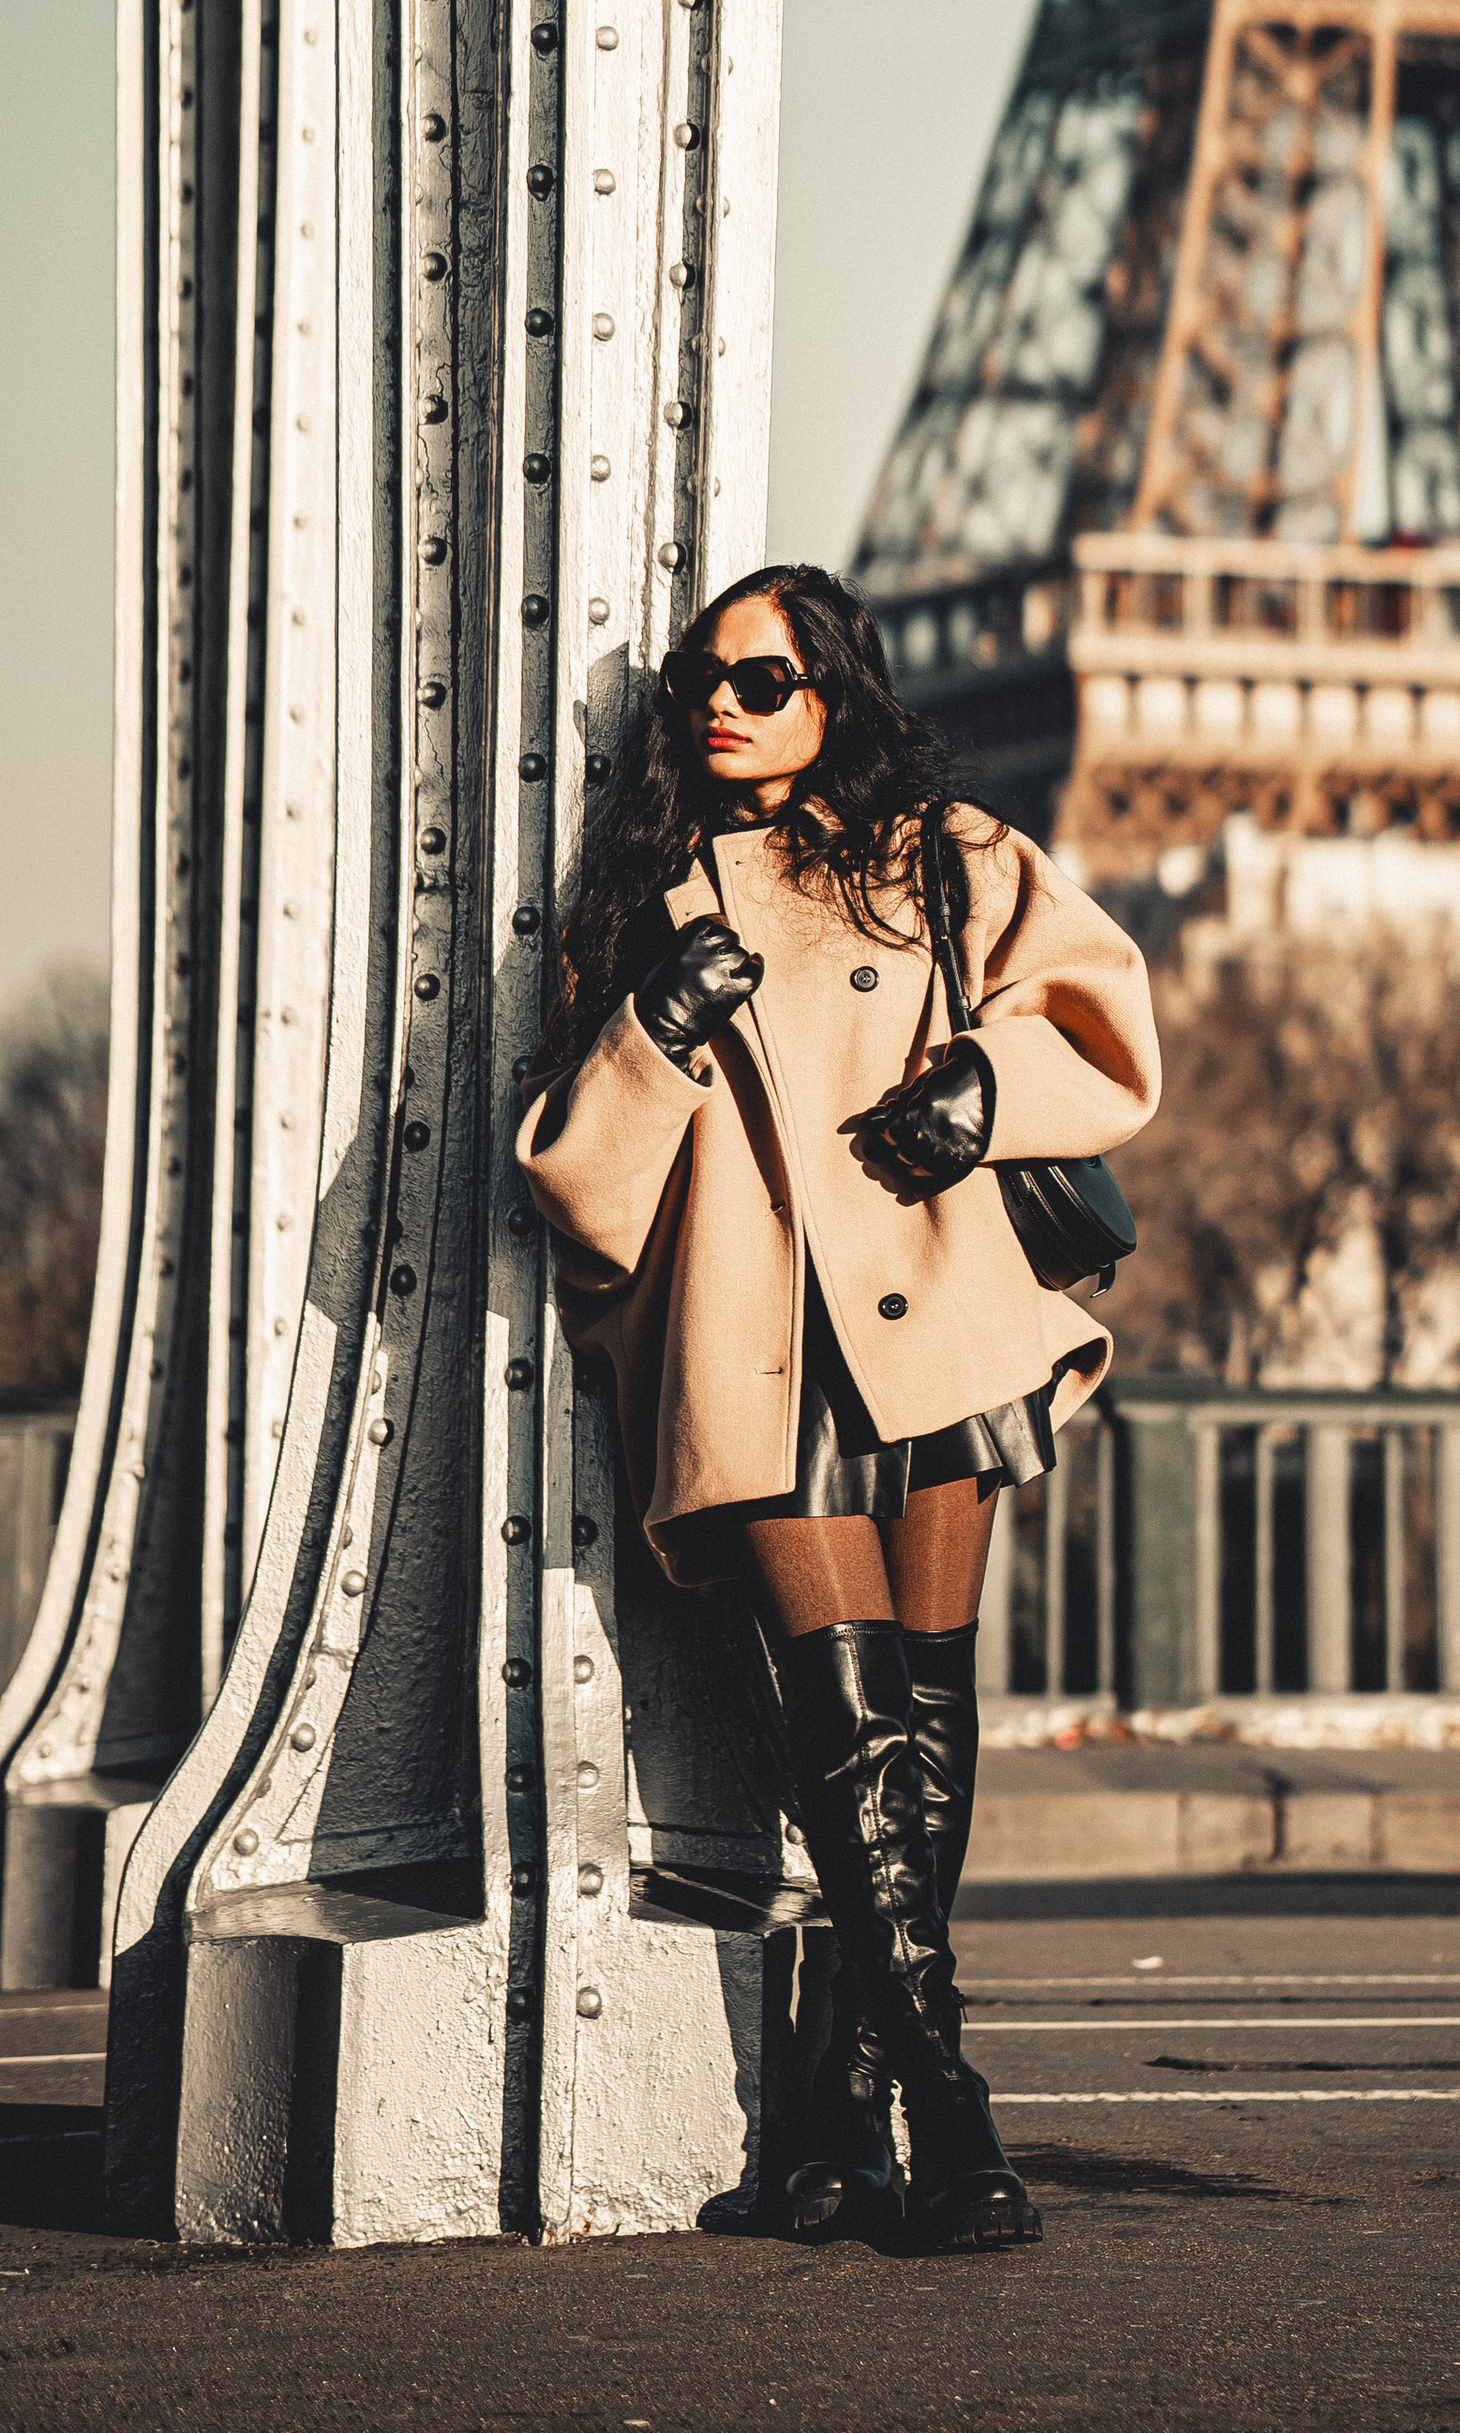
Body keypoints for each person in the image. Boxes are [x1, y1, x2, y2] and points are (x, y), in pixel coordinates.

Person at [517, 563, 1159, 2253]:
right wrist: (656, 1035)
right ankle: (946, 2110)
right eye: (701, 683)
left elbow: (1098, 1017)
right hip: (763, 1351)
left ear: (837, 696)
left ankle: (827, 2121)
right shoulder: (652, 903)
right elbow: (579, 1188)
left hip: (937, 1320)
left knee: (920, 1734)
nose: (724, 703)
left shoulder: (948, 862)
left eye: (766, 678)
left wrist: (983, 1088)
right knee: (853, 1730)